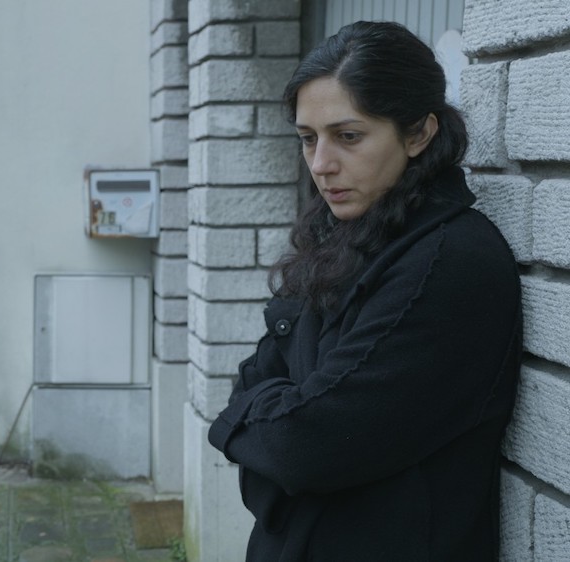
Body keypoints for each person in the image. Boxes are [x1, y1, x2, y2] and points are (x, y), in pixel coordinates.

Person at [207, 21, 522, 562]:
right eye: (308, 138)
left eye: (348, 136)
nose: (321, 165)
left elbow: (304, 446)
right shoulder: (344, 237)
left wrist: (257, 425)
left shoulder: (449, 263)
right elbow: (255, 383)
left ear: (418, 134)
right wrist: (267, 421)